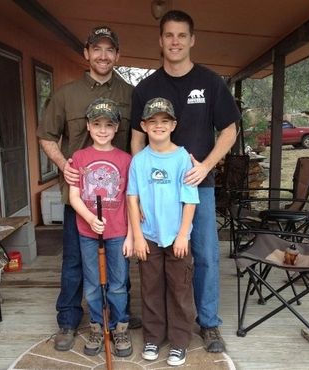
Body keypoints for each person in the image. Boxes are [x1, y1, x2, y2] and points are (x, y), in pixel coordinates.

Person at [130, 10, 241, 353]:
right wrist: (140, 187)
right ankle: (161, 325)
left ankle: (207, 323)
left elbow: (230, 130)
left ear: (192, 40)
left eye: (181, 35)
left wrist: (206, 166)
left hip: (197, 188)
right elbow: (136, 139)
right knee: (156, 259)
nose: (175, 41)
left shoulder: (210, 82)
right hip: (156, 190)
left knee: (204, 255)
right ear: (160, 41)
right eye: (169, 35)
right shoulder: (146, 88)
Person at [37, 25, 137, 352]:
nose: (103, 55)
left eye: (110, 49)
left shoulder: (131, 95)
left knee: (119, 263)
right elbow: (47, 136)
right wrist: (63, 164)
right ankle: (68, 320)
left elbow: (143, 139)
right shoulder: (67, 94)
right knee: (75, 263)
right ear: (87, 53)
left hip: (118, 204)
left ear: (118, 55)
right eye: (97, 49)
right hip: (77, 199)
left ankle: (119, 316)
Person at [127, 97, 199, 366]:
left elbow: (190, 199)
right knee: (151, 289)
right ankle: (153, 338)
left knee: (180, 290)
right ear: (144, 125)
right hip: (149, 237)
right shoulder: (139, 161)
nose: (159, 126)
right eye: (153, 121)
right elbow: (132, 199)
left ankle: (179, 342)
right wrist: (136, 235)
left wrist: (183, 234)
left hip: (177, 236)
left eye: (164, 121)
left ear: (173, 125)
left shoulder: (182, 157)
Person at [69, 97, 133, 357]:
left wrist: (130, 236)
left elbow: (131, 200)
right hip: (87, 233)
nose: (103, 130)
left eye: (109, 124)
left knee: (118, 283)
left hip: (118, 233)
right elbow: (74, 196)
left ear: (117, 128)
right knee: (93, 284)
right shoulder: (79, 156)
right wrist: (90, 218)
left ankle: (120, 327)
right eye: (97, 124)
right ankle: (97, 325)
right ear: (88, 126)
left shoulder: (126, 159)